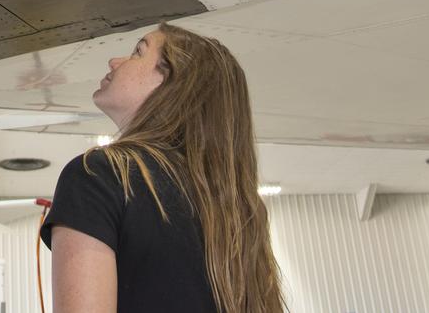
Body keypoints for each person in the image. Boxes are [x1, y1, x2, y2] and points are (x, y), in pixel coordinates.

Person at [40, 22, 283, 313]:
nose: (115, 62)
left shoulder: (98, 175)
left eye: (137, 52)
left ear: (169, 79)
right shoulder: (238, 209)